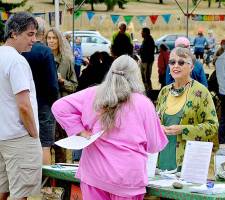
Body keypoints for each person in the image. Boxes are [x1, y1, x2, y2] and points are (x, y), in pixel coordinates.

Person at [52, 55, 168, 199]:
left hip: (94, 174)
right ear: (135, 76)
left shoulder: (93, 94)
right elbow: (154, 145)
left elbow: (59, 107)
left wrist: (80, 131)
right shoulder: (144, 104)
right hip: (127, 179)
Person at [0, 12, 42, 200]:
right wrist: (33, 133)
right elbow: (24, 105)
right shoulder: (16, 60)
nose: (34, 39)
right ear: (14, 34)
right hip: (18, 136)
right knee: (20, 195)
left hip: (3, 136)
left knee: (2, 190)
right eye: (30, 34)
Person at [156, 47, 218, 170]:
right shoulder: (164, 92)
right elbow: (154, 122)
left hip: (187, 163)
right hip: (161, 161)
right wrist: (158, 127)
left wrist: (183, 130)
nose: (176, 66)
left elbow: (212, 127)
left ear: (191, 67)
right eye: (172, 62)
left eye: (181, 62)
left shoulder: (201, 92)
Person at [22, 17, 59, 165]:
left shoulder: (20, 51)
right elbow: (52, 84)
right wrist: (54, 102)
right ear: (42, 33)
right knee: (45, 145)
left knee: (26, 144)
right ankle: (45, 184)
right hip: (44, 104)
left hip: (24, 102)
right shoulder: (45, 52)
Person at [45, 28, 78, 163]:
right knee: (46, 144)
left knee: (60, 145)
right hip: (45, 106)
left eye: (54, 38)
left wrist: (63, 81)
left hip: (61, 107)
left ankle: (61, 182)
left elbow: (75, 85)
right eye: (49, 38)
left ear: (59, 40)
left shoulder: (67, 60)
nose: (51, 41)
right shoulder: (42, 57)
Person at [139, 27, 155, 91]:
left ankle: (149, 91)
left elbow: (148, 52)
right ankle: (146, 90)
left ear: (145, 33)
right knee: (143, 78)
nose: (141, 33)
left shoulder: (150, 40)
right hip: (143, 61)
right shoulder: (145, 40)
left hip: (147, 62)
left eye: (142, 32)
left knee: (147, 78)